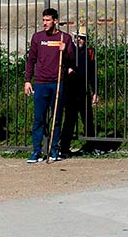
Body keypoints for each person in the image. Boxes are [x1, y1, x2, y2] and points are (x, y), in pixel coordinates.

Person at [24, 8, 74, 163]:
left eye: (48, 20)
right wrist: (27, 80)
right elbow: (31, 60)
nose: (44, 23)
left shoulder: (64, 38)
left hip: (57, 83)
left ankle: (54, 150)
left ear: (55, 21)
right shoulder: (37, 37)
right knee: (38, 118)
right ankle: (36, 151)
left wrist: (65, 51)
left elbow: (71, 59)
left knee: (56, 119)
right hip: (40, 83)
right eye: (43, 20)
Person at [58, 27, 99, 157]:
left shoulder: (89, 52)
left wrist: (95, 91)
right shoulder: (69, 51)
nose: (79, 40)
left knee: (88, 120)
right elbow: (60, 66)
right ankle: (64, 148)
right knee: (70, 120)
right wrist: (67, 70)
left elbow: (93, 73)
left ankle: (91, 146)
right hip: (70, 90)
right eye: (78, 37)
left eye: (82, 38)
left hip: (84, 90)